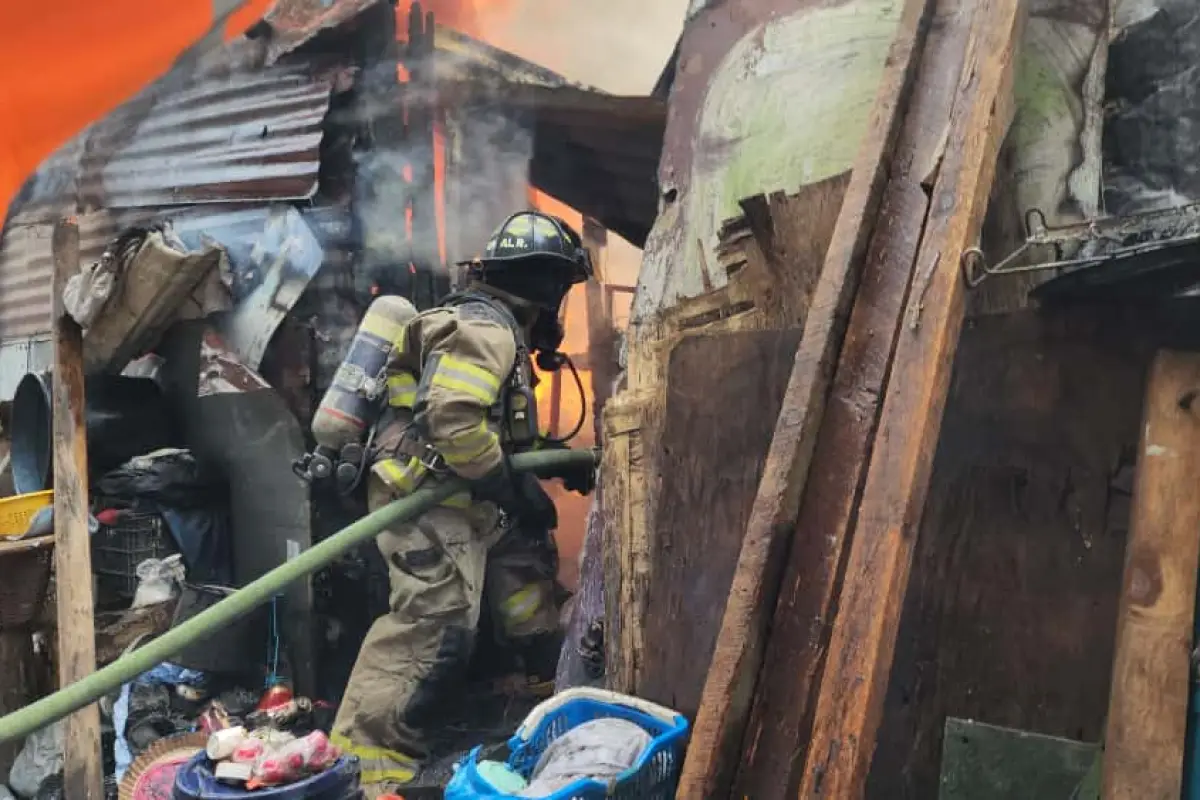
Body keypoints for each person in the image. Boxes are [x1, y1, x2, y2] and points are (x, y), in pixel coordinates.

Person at [329, 210, 597, 795]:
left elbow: (493, 430)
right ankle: (366, 761)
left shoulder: (491, 327)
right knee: (436, 619)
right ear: (545, 285)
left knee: (522, 555)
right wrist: (512, 486)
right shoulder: (488, 330)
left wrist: (556, 462)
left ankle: (530, 683)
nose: (560, 306)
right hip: (421, 495)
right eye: (562, 290)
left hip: (457, 492)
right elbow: (451, 418)